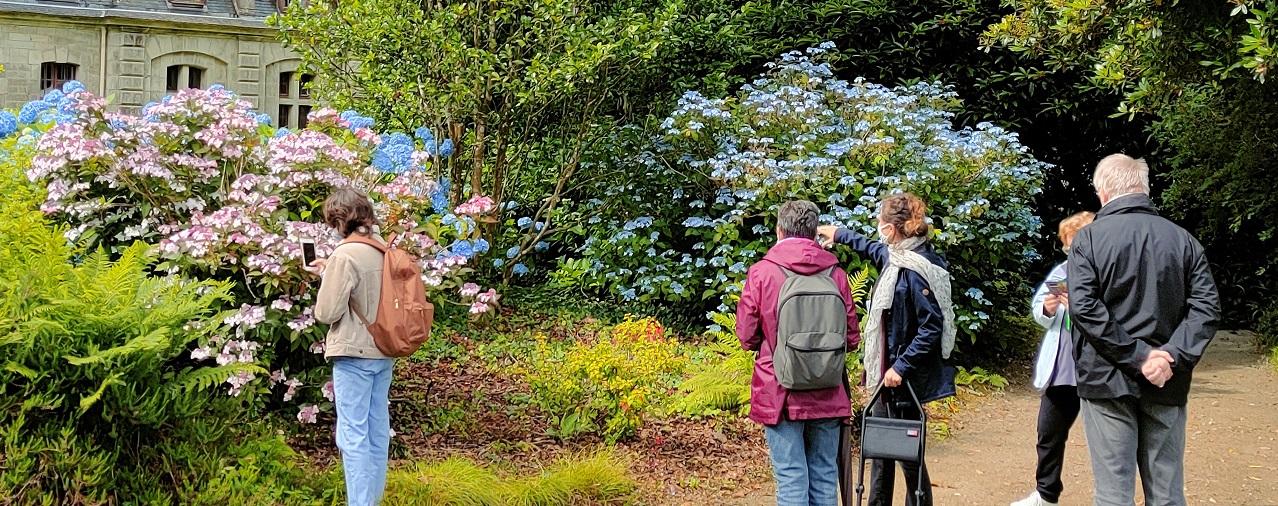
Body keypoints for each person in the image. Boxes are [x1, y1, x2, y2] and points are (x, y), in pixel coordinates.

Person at [1068, 154, 1220, 506]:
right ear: (1144, 189)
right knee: (1167, 493)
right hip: (1166, 379)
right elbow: (1207, 308)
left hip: (1106, 378)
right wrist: (1168, 356)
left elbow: (1085, 309)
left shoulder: (1088, 240)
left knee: (1112, 492)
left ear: (1102, 193)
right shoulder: (1183, 240)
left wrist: (1138, 356)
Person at [816, 192, 957, 506]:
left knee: (905, 456)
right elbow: (871, 249)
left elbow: (931, 328)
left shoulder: (915, 269)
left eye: (880, 222)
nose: (877, 228)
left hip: (903, 379)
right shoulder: (899, 257)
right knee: (884, 450)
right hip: (889, 375)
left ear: (892, 229)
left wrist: (900, 368)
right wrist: (838, 234)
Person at [737, 200, 862, 506]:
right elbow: (852, 337)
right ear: (814, 232)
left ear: (779, 230)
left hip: (780, 389)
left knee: (791, 477)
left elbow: (746, 335)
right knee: (823, 475)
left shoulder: (762, 273)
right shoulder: (836, 273)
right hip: (828, 390)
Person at [312, 187, 394, 506]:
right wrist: (329, 272)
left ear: (339, 220)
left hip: (353, 356)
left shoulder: (345, 254)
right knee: (376, 433)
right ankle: (371, 500)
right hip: (383, 352)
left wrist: (326, 277)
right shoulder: (382, 247)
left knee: (353, 436)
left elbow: (327, 312)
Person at [1011, 211, 1095, 506]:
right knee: (1048, 432)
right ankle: (1045, 494)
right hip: (1062, 368)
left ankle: (1114, 495)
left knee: (1106, 437)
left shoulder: (1107, 273)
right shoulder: (1062, 273)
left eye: (1075, 246)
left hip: (1097, 369)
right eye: (1067, 247)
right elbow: (1039, 310)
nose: (1071, 253)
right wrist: (1047, 308)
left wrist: (1081, 308)